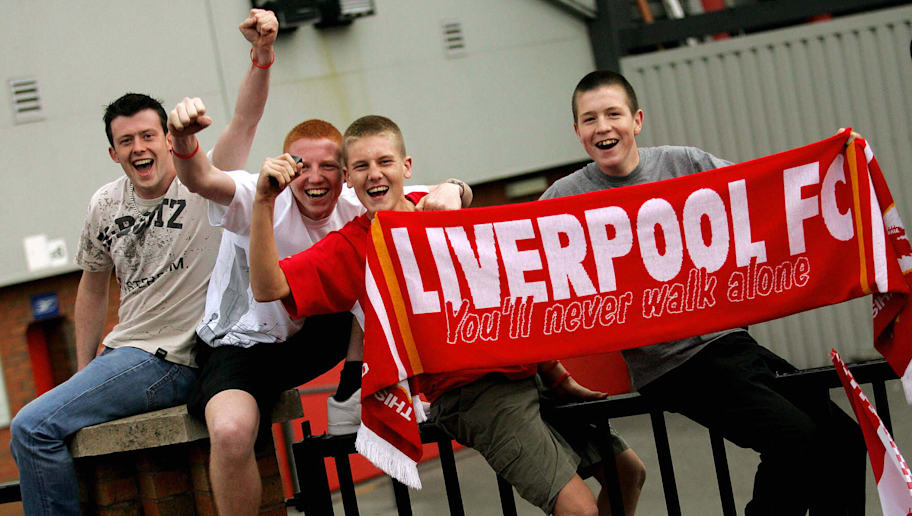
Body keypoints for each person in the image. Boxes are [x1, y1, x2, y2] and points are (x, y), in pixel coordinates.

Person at [247, 115, 637, 516]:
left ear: (406, 167)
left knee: (627, 473)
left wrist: (557, 376)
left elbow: (504, 293)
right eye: (361, 166)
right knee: (578, 509)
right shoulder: (350, 246)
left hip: (527, 373)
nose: (374, 174)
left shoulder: (435, 208)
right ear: (347, 177)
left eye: (384, 161)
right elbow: (267, 287)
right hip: (475, 394)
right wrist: (263, 201)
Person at [540, 69, 866, 515]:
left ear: (637, 120)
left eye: (613, 114)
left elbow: (765, 189)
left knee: (844, 441)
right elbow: (510, 252)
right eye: (590, 119)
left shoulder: (685, 164)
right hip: (673, 364)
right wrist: (457, 194)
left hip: (730, 343)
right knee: (796, 441)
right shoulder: (563, 198)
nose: (603, 127)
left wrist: (833, 162)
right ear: (577, 132)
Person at [7, 10, 279, 516]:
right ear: (113, 153)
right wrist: (84, 371)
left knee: (31, 427)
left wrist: (261, 55)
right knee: (46, 420)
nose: (139, 148)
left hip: (171, 359)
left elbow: (245, 120)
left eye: (148, 136)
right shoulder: (104, 203)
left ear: (168, 140)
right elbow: (92, 289)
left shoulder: (203, 183)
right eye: (126, 141)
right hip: (124, 355)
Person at [167, 101, 472, 514]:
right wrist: (183, 138)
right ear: (285, 167)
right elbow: (201, 178)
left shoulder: (363, 197)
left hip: (312, 336)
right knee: (232, 432)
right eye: (301, 166)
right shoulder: (260, 191)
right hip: (244, 343)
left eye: (328, 166)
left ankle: (361, 388)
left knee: (384, 255)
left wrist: (456, 188)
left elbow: (427, 197)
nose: (314, 177)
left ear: (344, 174)